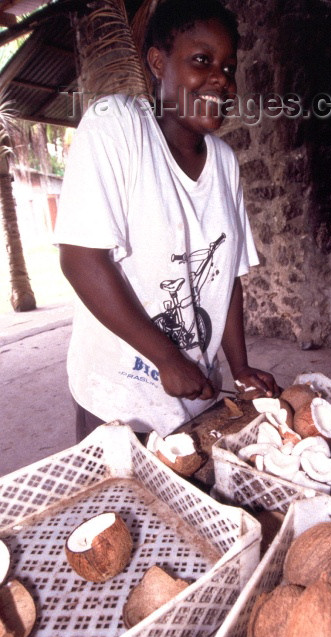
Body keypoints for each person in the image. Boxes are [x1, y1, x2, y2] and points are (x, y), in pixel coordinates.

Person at [53, 0, 279, 441]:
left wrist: (240, 367)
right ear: (158, 62)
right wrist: (167, 359)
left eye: (229, 67)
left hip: (193, 396)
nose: (221, 79)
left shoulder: (225, 163)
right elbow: (80, 259)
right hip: (117, 398)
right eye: (202, 60)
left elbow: (227, 275)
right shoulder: (116, 125)